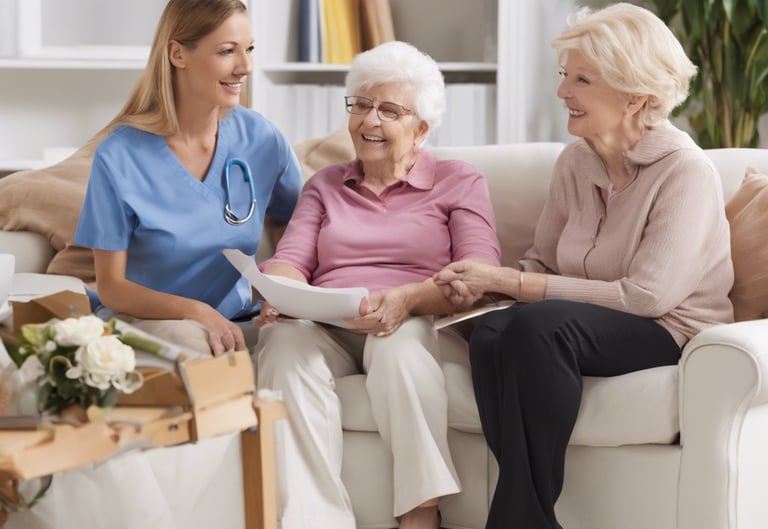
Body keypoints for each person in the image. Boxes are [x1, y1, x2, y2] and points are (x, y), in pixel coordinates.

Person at [434, 4, 734, 528]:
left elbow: (647, 298)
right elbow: (541, 261)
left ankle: (516, 518)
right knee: (492, 334)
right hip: (573, 324)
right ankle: (528, 517)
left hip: (669, 329)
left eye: (581, 79)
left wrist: (511, 281)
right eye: (563, 75)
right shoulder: (575, 162)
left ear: (635, 95)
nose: (561, 92)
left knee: (537, 326)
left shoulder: (686, 172)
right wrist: (483, 294)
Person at [253, 41, 501, 529]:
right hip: (330, 321)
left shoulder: (459, 181)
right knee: (281, 342)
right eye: (362, 105)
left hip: (418, 319)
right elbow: (290, 261)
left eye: (389, 110)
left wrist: (408, 298)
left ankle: (420, 511)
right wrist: (277, 295)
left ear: (421, 129)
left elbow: (479, 274)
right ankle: (313, 518)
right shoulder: (325, 184)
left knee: (397, 345)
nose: (369, 121)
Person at [74, 0, 302, 356]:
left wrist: (279, 285)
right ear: (178, 54)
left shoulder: (261, 138)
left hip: (242, 318)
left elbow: (302, 224)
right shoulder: (119, 156)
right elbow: (112, 287)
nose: (246, 67)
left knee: (293, 346)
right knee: (195, 345)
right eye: (228, 51)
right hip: (152, 320)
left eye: (249, 49)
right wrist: (196, 312)